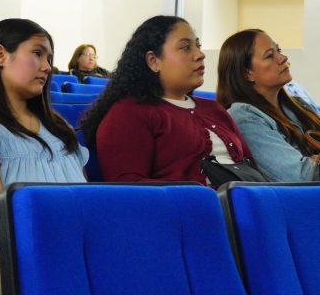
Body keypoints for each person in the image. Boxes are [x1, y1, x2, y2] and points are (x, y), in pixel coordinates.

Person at [79, 16, 251, 184]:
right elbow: (130, 188)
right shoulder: (129, 113)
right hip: (194, 202)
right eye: (185, 47)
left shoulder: (213, 108)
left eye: (198, 46)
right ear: (154, 61)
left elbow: (251, 168)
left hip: (245, 198)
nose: (200, 54)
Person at [0, 18, 88, 220]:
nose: (47, 67)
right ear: (0, 56)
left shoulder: (58, 125)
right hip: (32, 237)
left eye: (49, 58)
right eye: (37, 53)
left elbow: (89, 196)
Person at [216, 29, 320, 182]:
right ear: (247, 73)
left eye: (279, 50)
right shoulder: (244, 116)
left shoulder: (299, 104)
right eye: (269, 56)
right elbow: (299, 176)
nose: (283, 58)